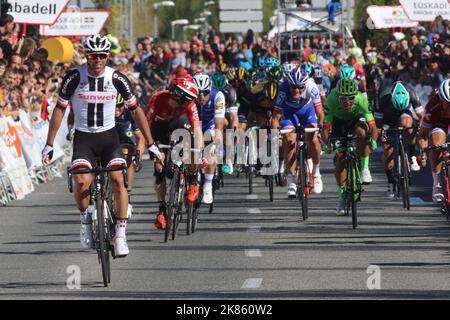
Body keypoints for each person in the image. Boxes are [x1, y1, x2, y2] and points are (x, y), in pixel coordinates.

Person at [41, 35, 154, 258]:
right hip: (84, 139)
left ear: (107, 56)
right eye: (93, 56)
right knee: (81, 181)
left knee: (118, 179)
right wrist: (49, 143)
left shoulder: (117, 78)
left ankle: (120, 234)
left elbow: (136, 111)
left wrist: (151, 144)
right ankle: (85, 220)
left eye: (102, 56)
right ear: (87, 56)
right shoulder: (74, 77)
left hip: (109, 138)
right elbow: (59, 110)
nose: (97, 60)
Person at [145, 77, 204, 230]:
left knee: (191, 146)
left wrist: (198, 153)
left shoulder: (190, 105)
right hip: (159, 127)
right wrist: (152, 147)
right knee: (159, 170)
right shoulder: (158, 99)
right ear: (178, 97)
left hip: (180, 124)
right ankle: (162, 208)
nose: (188, 103)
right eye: (187, 101)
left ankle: (192, 181)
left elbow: (197, 131)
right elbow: (147, 125)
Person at [322, 79, 379, 215]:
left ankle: (363, 167)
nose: (347, 102)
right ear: (338, 96)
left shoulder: (361, 99)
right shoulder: (331, 100)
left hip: (356, 118)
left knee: (362, 133)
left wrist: (373, 141)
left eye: (350, 98)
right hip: (338, 122)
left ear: (356, 95)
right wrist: (326, 143)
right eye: (343, 99)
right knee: (340, 159)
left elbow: (373, 127)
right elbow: (325, 128)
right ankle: (342, 197)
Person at [271, 67, 323, 198]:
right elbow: (276, 115)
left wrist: (321, 128)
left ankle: (316, 172)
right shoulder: (283, 89)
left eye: (300, 87)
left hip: (307, 111)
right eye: (293, 87)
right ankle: (292, 180)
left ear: (305, 85)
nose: (297, 90)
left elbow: (320, 113)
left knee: (313, 139)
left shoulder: (312, 87)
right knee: (289, 140)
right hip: (289, 114)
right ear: (289, 84)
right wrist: (275, 133)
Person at [375, 81, 424, 198]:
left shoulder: (412, 94)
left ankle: (411, 155)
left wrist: (419, 131)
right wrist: (381, 133)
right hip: (387, 118)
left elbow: (422, 117)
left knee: (409, 125)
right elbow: (377, 123)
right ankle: (390, 180)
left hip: (404, 113)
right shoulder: (383, 98)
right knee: (388, 151)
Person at [193, 73, 226, 204]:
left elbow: (219, 125)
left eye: (205, 92)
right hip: (194, 122)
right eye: (198, 93)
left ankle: (208, 185)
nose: (201, 96)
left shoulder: (218, 96)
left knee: (211, 146)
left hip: (210, 122)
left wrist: (217, 144)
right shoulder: (189, 96)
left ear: (210, 90)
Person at [418, 79, 450, 202]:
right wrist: (423, 152)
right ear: (441, 100)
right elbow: (423, 134)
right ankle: (437, 184)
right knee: (437, 145)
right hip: (439, 123)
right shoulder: (433, 105)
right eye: (447, 103)